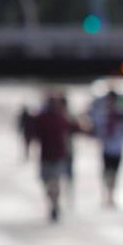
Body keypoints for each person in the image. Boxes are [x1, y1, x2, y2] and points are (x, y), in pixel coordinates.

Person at [33, 94, 86, 222]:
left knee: (52, 182)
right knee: (52, 182)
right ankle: (54, 203)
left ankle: (54, 204)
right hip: (55, 155)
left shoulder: (54, 118)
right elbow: (77, 128)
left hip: (53, 155)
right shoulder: (58, 118)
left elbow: (34, 133)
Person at [92, 91, 123, 208]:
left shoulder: (121, 114)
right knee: (106, 172)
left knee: (115, 173)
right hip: (107, 148)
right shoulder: (103, 113)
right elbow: (97, 129)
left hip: (117, 148)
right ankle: (106, 194)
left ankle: (111, 195)